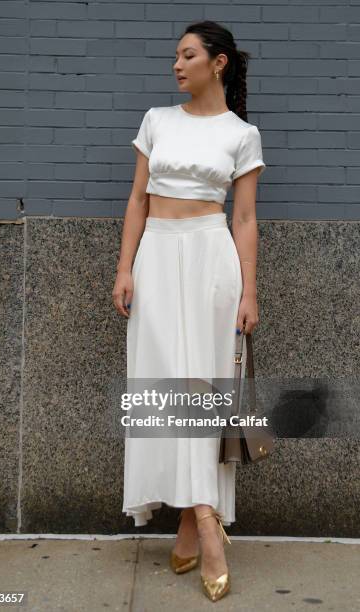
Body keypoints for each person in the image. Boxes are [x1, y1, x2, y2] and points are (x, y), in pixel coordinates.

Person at [112, 20, 266, 603]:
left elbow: (244, 220)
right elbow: (136, 199)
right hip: (156, 256)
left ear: (217, 62)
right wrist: (124, 268)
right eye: (176, 57)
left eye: (187, 55)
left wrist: (250, 292)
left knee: (202, 389)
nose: (177, 66)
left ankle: (202, 522)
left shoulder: (241, 134)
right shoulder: (157, 121)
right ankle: (193, 520)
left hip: (211, 261)